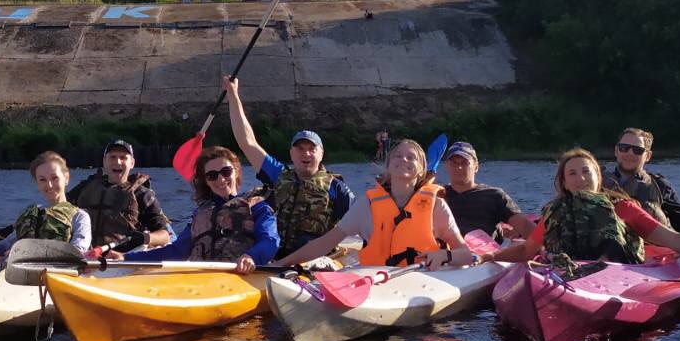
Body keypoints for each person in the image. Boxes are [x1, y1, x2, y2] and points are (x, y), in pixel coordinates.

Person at [488, 148, 680, 266]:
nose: (580, 178)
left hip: (614, 273)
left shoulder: (622, 208)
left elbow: (674, 240)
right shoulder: (555, 213)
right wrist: (490, 257)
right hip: (566, 271)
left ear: (598, 176)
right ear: (564, 182)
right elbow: (526, 251)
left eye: (586, 171)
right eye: (572, 173)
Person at [278, 139, 475, 270]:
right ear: (388, 165)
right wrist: (282, 264)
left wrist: (445, 255)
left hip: (424, 280)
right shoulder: (367, 205)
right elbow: (324, 243)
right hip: (378, 280)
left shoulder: (436, 206)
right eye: (397, 155)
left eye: (411, 157)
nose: (403, 160)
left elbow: (465, 255)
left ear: (421, 170)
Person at [222, 75, 353, 260]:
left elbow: (361, 220)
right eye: (299, 149)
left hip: (311, 262)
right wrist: (233, 95)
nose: (305, 154)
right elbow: (247, 142)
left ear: (321, 154)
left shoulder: (336, 188)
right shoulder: (279, 174)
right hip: (275, 257)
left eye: (311, 149)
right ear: (291, 153)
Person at [126, 146, 277, 273]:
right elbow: (177, 251)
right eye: (212, 175)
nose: (221, 179)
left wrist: (252, 256)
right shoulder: (201, 214)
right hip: (200, 278)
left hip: (238, 276)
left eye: (226, 171)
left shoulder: (257, 207)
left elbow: (270, 241)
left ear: (236, 171)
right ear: (206, 181)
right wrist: (126, 258)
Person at [603, 128, 680, 238]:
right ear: (616, 151)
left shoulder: (660, 186)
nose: (630, 153)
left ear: (647, 156)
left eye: (637, 150)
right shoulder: (596, 182)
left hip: (650, 255)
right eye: (624, 148)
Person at [69, 139, 174, 253]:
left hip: (122, 259)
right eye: (112, 157)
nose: (118, 162)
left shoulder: (142, 194)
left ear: (132, 163)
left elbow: (165, 235)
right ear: (104, 161)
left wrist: (145, 238)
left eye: (123, 157)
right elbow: (61, 208)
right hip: (85, 256)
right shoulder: (84, 188)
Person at [0, 151, 93, 259]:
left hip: (58, 270)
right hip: (19, 269)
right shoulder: (32, 213)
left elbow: (78, 250)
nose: (49, 185)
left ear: (66, 178)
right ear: (37, 183)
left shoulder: (80, 217)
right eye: (42, 180)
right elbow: (6, 244)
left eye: (54, 178)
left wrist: (31, 254)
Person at [441, 141, 533, 240]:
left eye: (464, 163)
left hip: (485, 253)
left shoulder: (494, 196)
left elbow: (525, 227)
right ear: (447, 166)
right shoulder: (437, 196)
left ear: (476, 166)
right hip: (445, 253)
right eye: (454, 163)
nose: (459, 167)